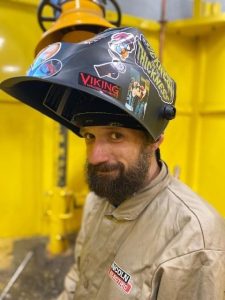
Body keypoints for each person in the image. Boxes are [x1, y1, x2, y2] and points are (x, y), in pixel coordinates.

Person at [1, 27, 225, 300]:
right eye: (90, 136)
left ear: (155, 140)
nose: (95, 157)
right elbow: (77, 280)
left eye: (116, 135)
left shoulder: (194, 241)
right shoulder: (100, 198)